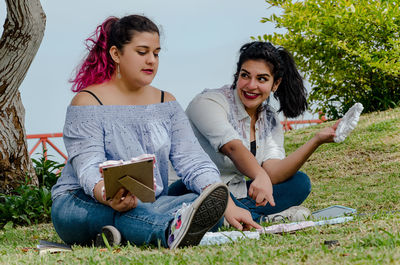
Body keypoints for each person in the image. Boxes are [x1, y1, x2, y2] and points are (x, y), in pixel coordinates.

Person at [51, 14, 236, 249]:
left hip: (149, 203)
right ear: (116, 54)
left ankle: (115, 235)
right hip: (82, 201)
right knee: (133, 212)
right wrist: (108, 195)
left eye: (156, 53)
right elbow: (88, 166)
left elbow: (193, 160)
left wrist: (225, 200)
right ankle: (169, 230)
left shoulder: (166, 102)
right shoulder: (87, 102)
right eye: (142, 52)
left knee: (198, 202)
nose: (151, 60)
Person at [172, 41, 340, 223]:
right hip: (188, 189)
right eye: (245, 76)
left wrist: (316, 140)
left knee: (299, 182)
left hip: (235, 193)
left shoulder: (269, 118)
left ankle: (239, 216)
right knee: (208, 197)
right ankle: (262, 219)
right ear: (237, 76)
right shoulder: (207, 103)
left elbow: (274, 173)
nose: (251, 85)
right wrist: (259, 175)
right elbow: (232, 147)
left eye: (262, 79)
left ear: (275, 84)